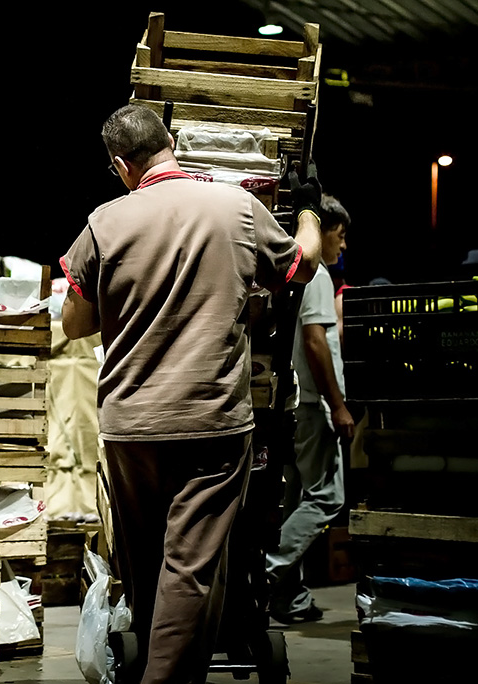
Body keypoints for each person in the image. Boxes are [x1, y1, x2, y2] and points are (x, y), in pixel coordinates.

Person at [60, 103, 322, 684]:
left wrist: (133, 294)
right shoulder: (236, 207)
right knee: (191, 568)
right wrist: (307, 209)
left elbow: (74, 323)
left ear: (120, 165)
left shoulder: (106, 220)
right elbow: (301, 266)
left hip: (130, 424)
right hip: (210, 422)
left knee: (147, 563)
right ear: (171, 141)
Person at [266, 194, 355, 624]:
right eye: (339, 236)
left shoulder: (295, 267)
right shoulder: (316, 272)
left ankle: (290, 599)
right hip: (315, 404)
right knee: (327, 495)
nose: (343, 247)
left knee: (294, 498)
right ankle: (268, 571)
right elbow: (316, 341)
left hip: (295, 402)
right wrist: (338, 406)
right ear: (324, 230)